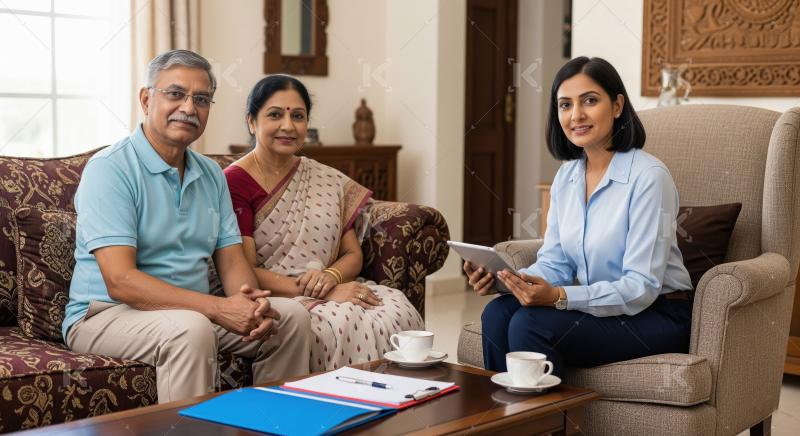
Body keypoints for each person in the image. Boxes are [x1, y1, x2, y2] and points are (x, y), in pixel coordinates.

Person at [63, 50, 311, 403]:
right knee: (191, 330)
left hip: (188, 311)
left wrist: (247, 304)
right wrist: (216, 308)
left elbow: (231, 257)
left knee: (291, 318)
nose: (189, 108)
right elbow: (120, 281)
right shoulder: (110, 169)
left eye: (201, 99)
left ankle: (274, 424)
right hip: (105, 315)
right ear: (147, 99)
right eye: (176, 94)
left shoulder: (210, 174)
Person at [468, 57, 693, 376]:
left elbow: (641, 286)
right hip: (601, 306)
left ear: (617, 106)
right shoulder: (567, 177)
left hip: (657, 313)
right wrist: (509, 282)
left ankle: (546, 424)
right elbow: (556, 262)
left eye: (589, 100)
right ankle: (505, 420)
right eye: (565, 105)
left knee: (530, 324)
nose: (576, 115)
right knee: (497, 313)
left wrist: (559, 296)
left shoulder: (649, 177)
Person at [224, 74, 424, 371]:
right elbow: (247, 275)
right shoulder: (234, 182)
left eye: (298, 116)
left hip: (328, 284)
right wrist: (325, 292)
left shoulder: (325, 178)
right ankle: (340, 409)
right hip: (280, 297)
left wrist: (331, 276)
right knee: (340, 324)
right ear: (252, 122)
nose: (288, 126)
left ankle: (396, 407)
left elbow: (352, 255)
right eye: (275, 115)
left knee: (396, 308)